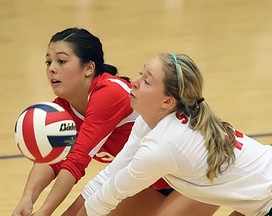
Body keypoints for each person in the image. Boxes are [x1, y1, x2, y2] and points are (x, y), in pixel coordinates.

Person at [75, 53, 272, 216]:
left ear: (168, 102)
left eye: (147, 81)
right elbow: (109, 176)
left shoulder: (163, 145)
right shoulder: (147, 122)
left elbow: (109, 195)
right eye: (140, 74)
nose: (134, 82)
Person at [11, 27, 140, 216]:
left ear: (88, 68)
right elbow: (52, 157)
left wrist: (45, 211)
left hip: (172, 173)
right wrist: (27, 198)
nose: (52, 68)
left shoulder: (109, 94)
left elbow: (76, 161)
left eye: (61, 61)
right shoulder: (63, 108)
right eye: (48, 61)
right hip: (138, 175)